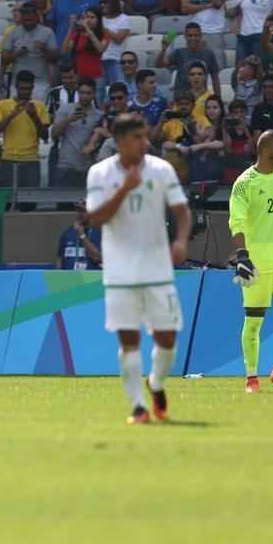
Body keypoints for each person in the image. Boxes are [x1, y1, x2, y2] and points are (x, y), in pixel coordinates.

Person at [85, 113, 191, 424]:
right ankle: (138, 406)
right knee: (128, 342)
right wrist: (124, 188)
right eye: (137, 138)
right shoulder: (100, 173)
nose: (145, 143)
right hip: (120, 272)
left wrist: (182, 241)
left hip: (158, 268)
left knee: (167, 340)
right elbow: (95, 219)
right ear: (119, 142)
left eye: (145, 137)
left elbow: (182, 212)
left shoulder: (161, 169)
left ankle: (155, 383)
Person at [228, 130, 273, 392]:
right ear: (268, 149)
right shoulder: (244, 183)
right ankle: (252, 378)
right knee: (254, 321)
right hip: (257, 264)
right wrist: (243, 256)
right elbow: (237, 222)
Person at [0, 71, 50, 187]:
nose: (25, 92)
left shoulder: (40, 106)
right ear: (16, 87)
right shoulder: (3, 105)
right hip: (8, 159)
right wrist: (12, 115)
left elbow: (45, 136)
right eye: (22, 88)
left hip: (31, 160)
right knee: (8, 201)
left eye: (28, 89)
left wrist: (34, 116)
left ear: (33, 87)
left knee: (29, 203)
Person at [51, 78, 102, 187]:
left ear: (94, 94)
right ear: (78, 92)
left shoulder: (99, 115)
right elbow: (54, 135)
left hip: (88, 167)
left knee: (86, 203)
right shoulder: (65, 109)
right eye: (82, 92)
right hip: (66, 165)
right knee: (63, 203)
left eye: (88, 93)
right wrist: (68, 120)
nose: (85, 96)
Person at [55, 200, 102, 269]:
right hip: (68, 278)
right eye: (78, 211)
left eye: (83, 211)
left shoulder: (98, 233)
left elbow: (97, 258)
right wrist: (58, 276)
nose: (80, 214)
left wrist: (82, 236)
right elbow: (59, 258)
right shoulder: (67, 233)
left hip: (90, 278)